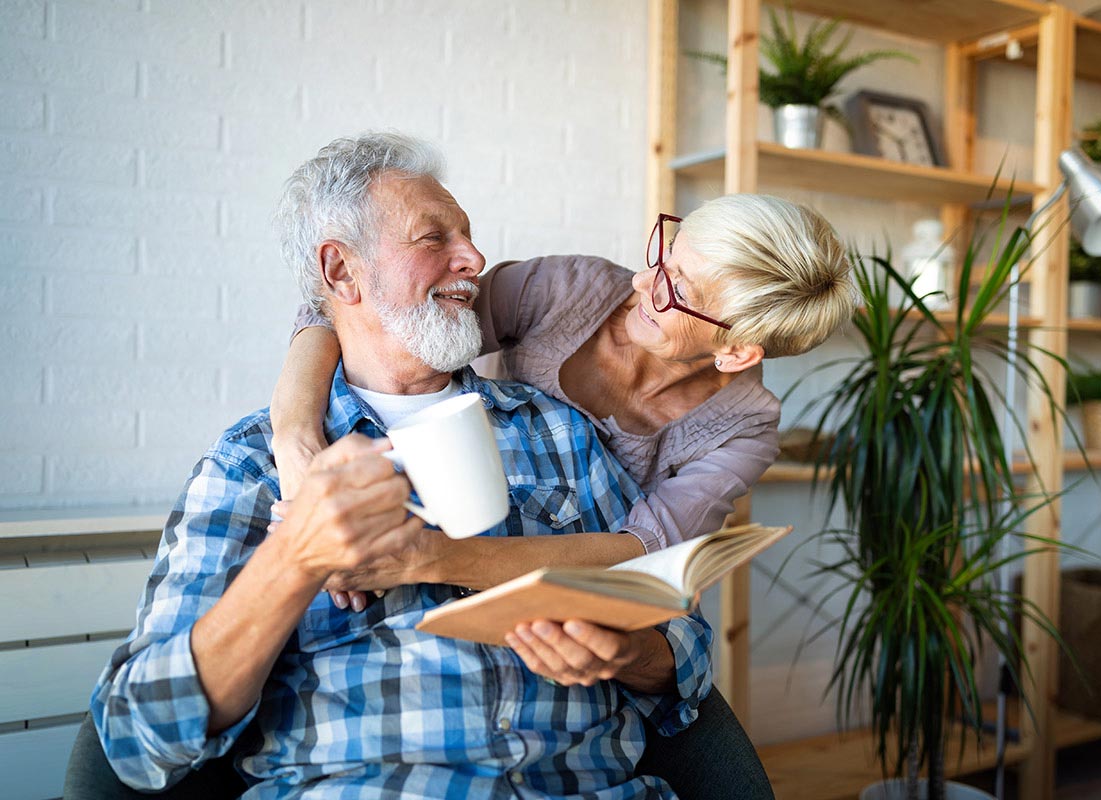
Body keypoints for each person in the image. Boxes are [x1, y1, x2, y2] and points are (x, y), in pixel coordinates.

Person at [90, 132, 713, 799]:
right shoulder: (253, 464)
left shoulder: (556, 431)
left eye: (468, 235)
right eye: (432, 239)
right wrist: (292, 561)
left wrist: (629, 654)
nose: (474, 258)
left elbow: (687, 641)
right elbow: (137, 736)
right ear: (341, 272)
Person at [271, 192, 858, 611]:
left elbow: (642, 549)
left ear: (735, 354)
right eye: (668, 253)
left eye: (678, 290)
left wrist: (431, 560)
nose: (641, 283)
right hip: (455, 501)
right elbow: (359, 311)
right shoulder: (568, 290)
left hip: (552, 591)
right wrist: (294, 437)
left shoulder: (745, 430)